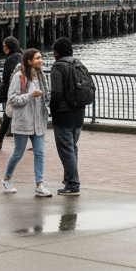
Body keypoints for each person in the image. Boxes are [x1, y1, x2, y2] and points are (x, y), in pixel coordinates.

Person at [2, 48, 51, 197]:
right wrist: (30, 95)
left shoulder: (41, 76)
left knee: (39, 153)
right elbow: (12, 99)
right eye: (37, 58)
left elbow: (46, 95)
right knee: (18, 152)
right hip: (23, 121)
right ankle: (6, 178)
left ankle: (39, 185)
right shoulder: (19, 76)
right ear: (29, 61)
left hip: (39, 121)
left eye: (40, 57)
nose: (40, 61)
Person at [49, 36, 84, 196]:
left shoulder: (58, 67)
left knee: (66, 149)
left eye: (54, 51)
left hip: (63, 114)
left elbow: (56, 92)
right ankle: (68, 178)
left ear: (57, 52)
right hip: (79, 112)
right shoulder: (78, 63)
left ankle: (73, 184)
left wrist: (53, 109)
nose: (53, 54)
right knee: (73, 147)